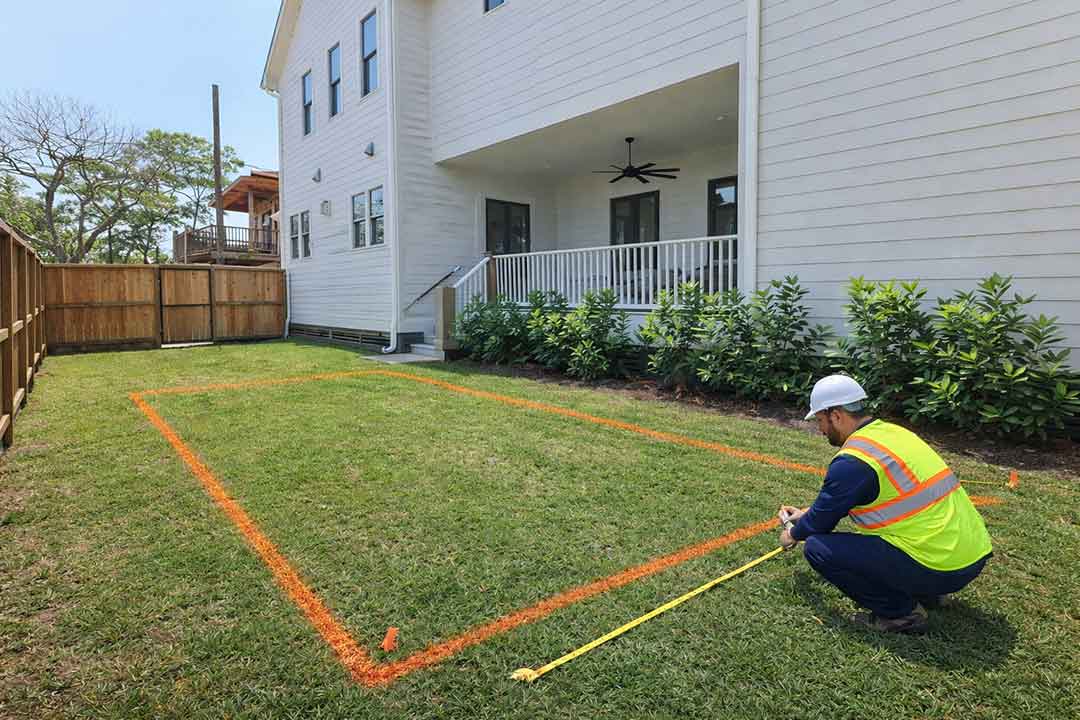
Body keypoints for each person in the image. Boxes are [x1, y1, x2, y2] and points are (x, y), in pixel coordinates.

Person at [779, 375, 993, 634]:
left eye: (820, 421)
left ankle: (899, 615)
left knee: (817, 548)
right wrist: (803, 514)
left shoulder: (854, 461)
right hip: (971, 555)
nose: (821, 430)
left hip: (939, 565)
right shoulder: (895, 434)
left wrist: (792, 533)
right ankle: (929, 592)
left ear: (836, 415)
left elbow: (820, 524)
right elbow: (835, 504)